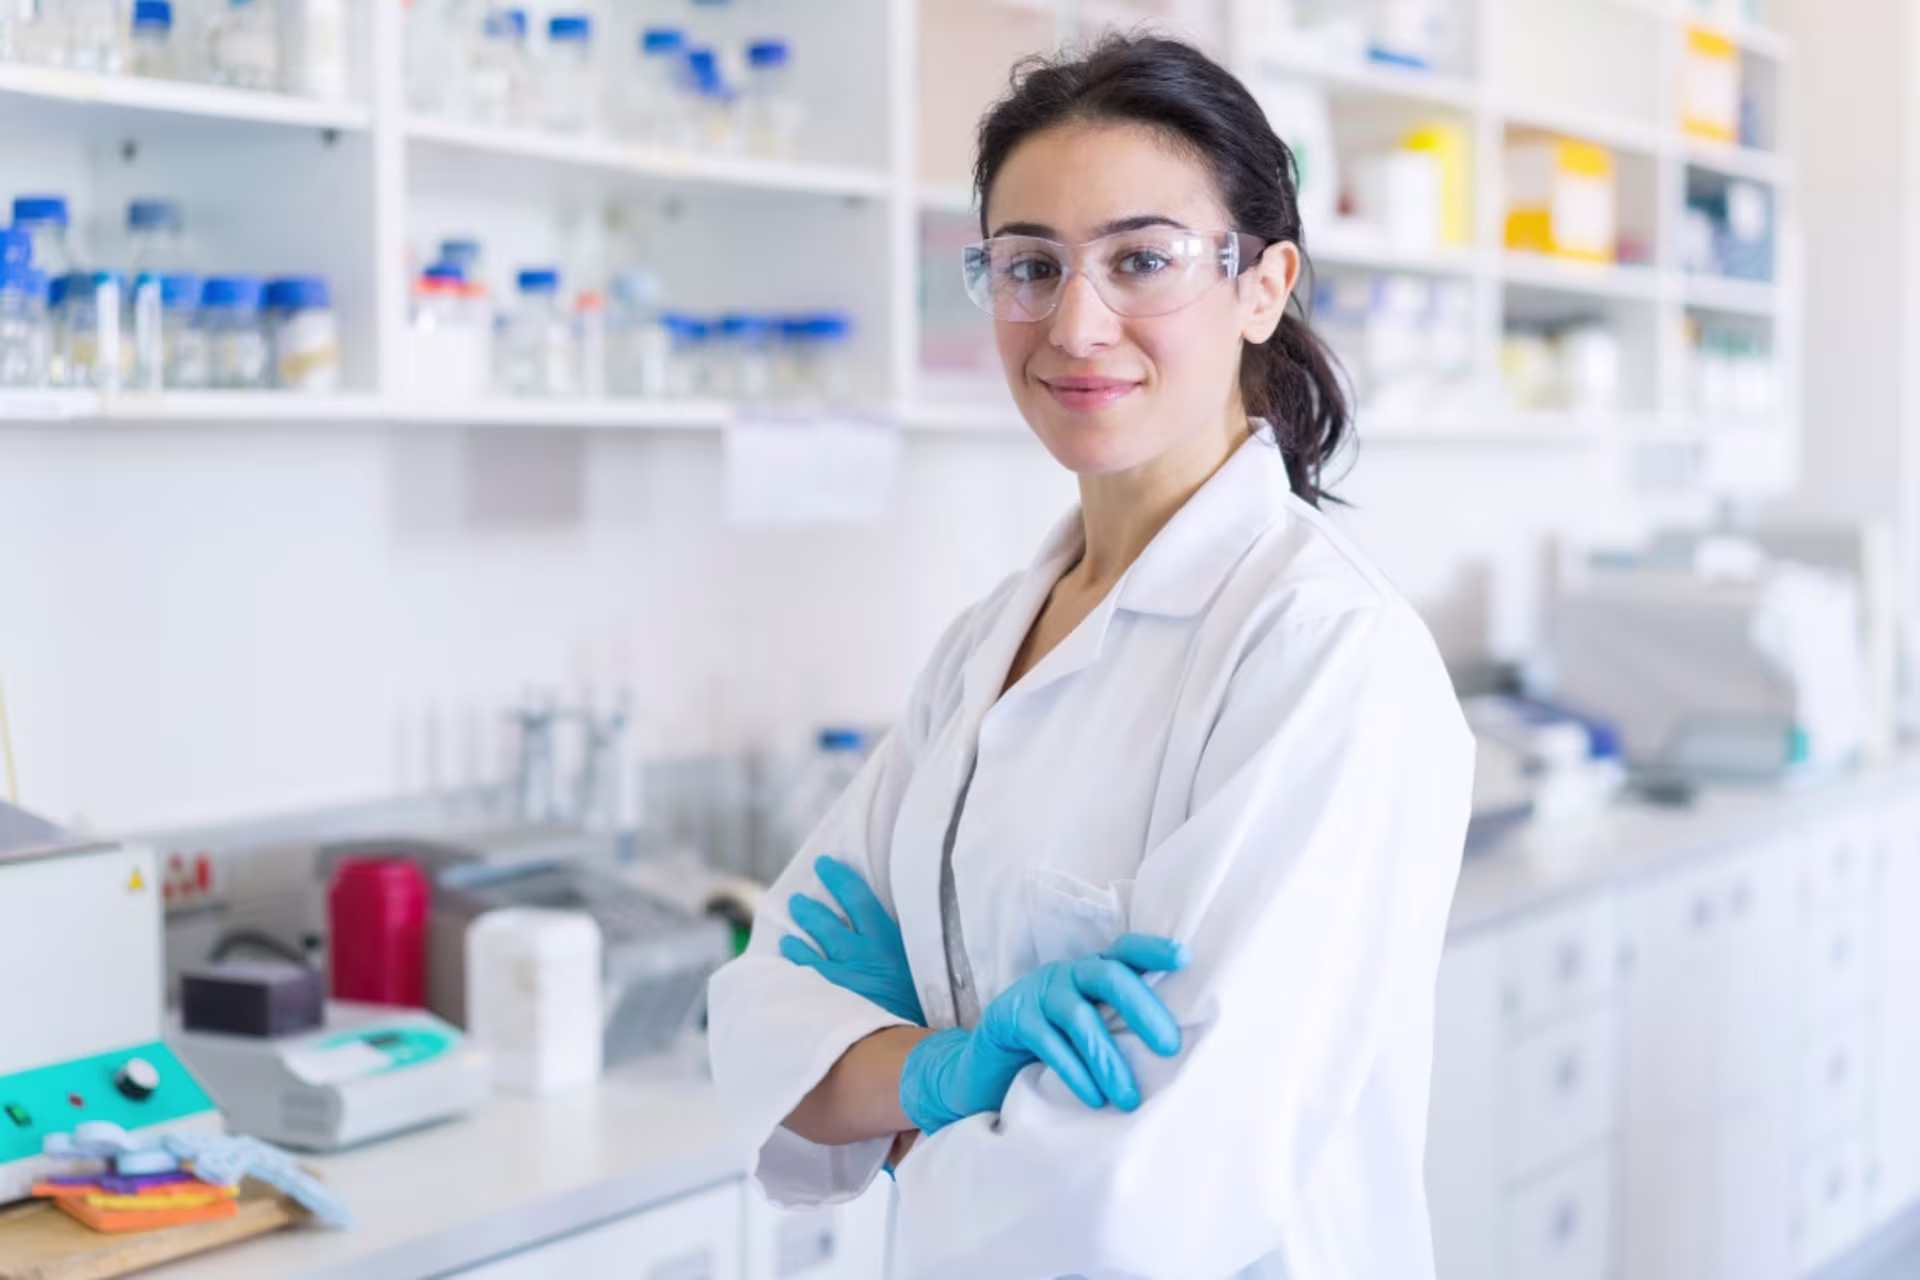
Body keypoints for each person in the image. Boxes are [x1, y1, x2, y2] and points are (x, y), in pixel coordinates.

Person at [707, 33, 1474, 1280]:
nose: (1076, 322)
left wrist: (896, 1108)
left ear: (1262, 284)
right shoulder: (987, 644)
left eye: (1142, 261)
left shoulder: (1330, 658)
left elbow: (1147, 1195)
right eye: (1031, 265)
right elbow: (753, 1018)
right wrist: (950, 1072)